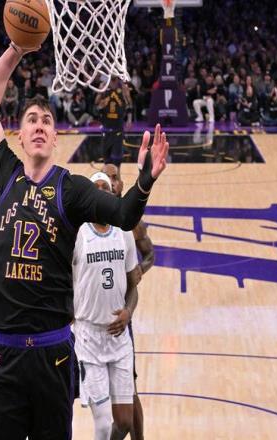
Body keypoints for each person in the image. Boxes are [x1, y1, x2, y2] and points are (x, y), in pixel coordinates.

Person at [0, 42, 168, 440]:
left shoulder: (72, 189)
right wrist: (15, 49)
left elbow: (124, 214)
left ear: (55, 137)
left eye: (46, 121)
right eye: (31, 120)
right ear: (19, 136)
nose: (39, 125)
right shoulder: (6, 172)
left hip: (53, 353)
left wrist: (145, 179)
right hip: (5, 351)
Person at [73, 172, 140, 440]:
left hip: (119, 338)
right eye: (95, 187)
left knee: (124, 422)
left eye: (105, 187)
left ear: (113, 194)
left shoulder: (124, 232)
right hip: (89, 337)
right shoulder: (77, 233)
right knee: (102, 424)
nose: (101, 190)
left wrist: (128, 312)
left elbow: (133, 285)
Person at [102, 163, 154, 440]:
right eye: (106, 178)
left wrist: (138, 270)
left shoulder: (131, 222)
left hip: (121, 316)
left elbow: (150, 254)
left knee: (129, 393)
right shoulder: (87, 221)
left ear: (122, 184)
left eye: (115, 177)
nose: (111, 182)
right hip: (92, 320)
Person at [95, 77, 133, 167]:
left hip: (118, 127)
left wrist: (129, 119)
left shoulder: (123, 86)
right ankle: (107, 175)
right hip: (106, 126)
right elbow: (96, 103)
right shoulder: (103, 85)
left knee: (117, 160)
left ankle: (117, 175)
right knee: (106, 159)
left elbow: (129, 104)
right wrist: (100, 95)